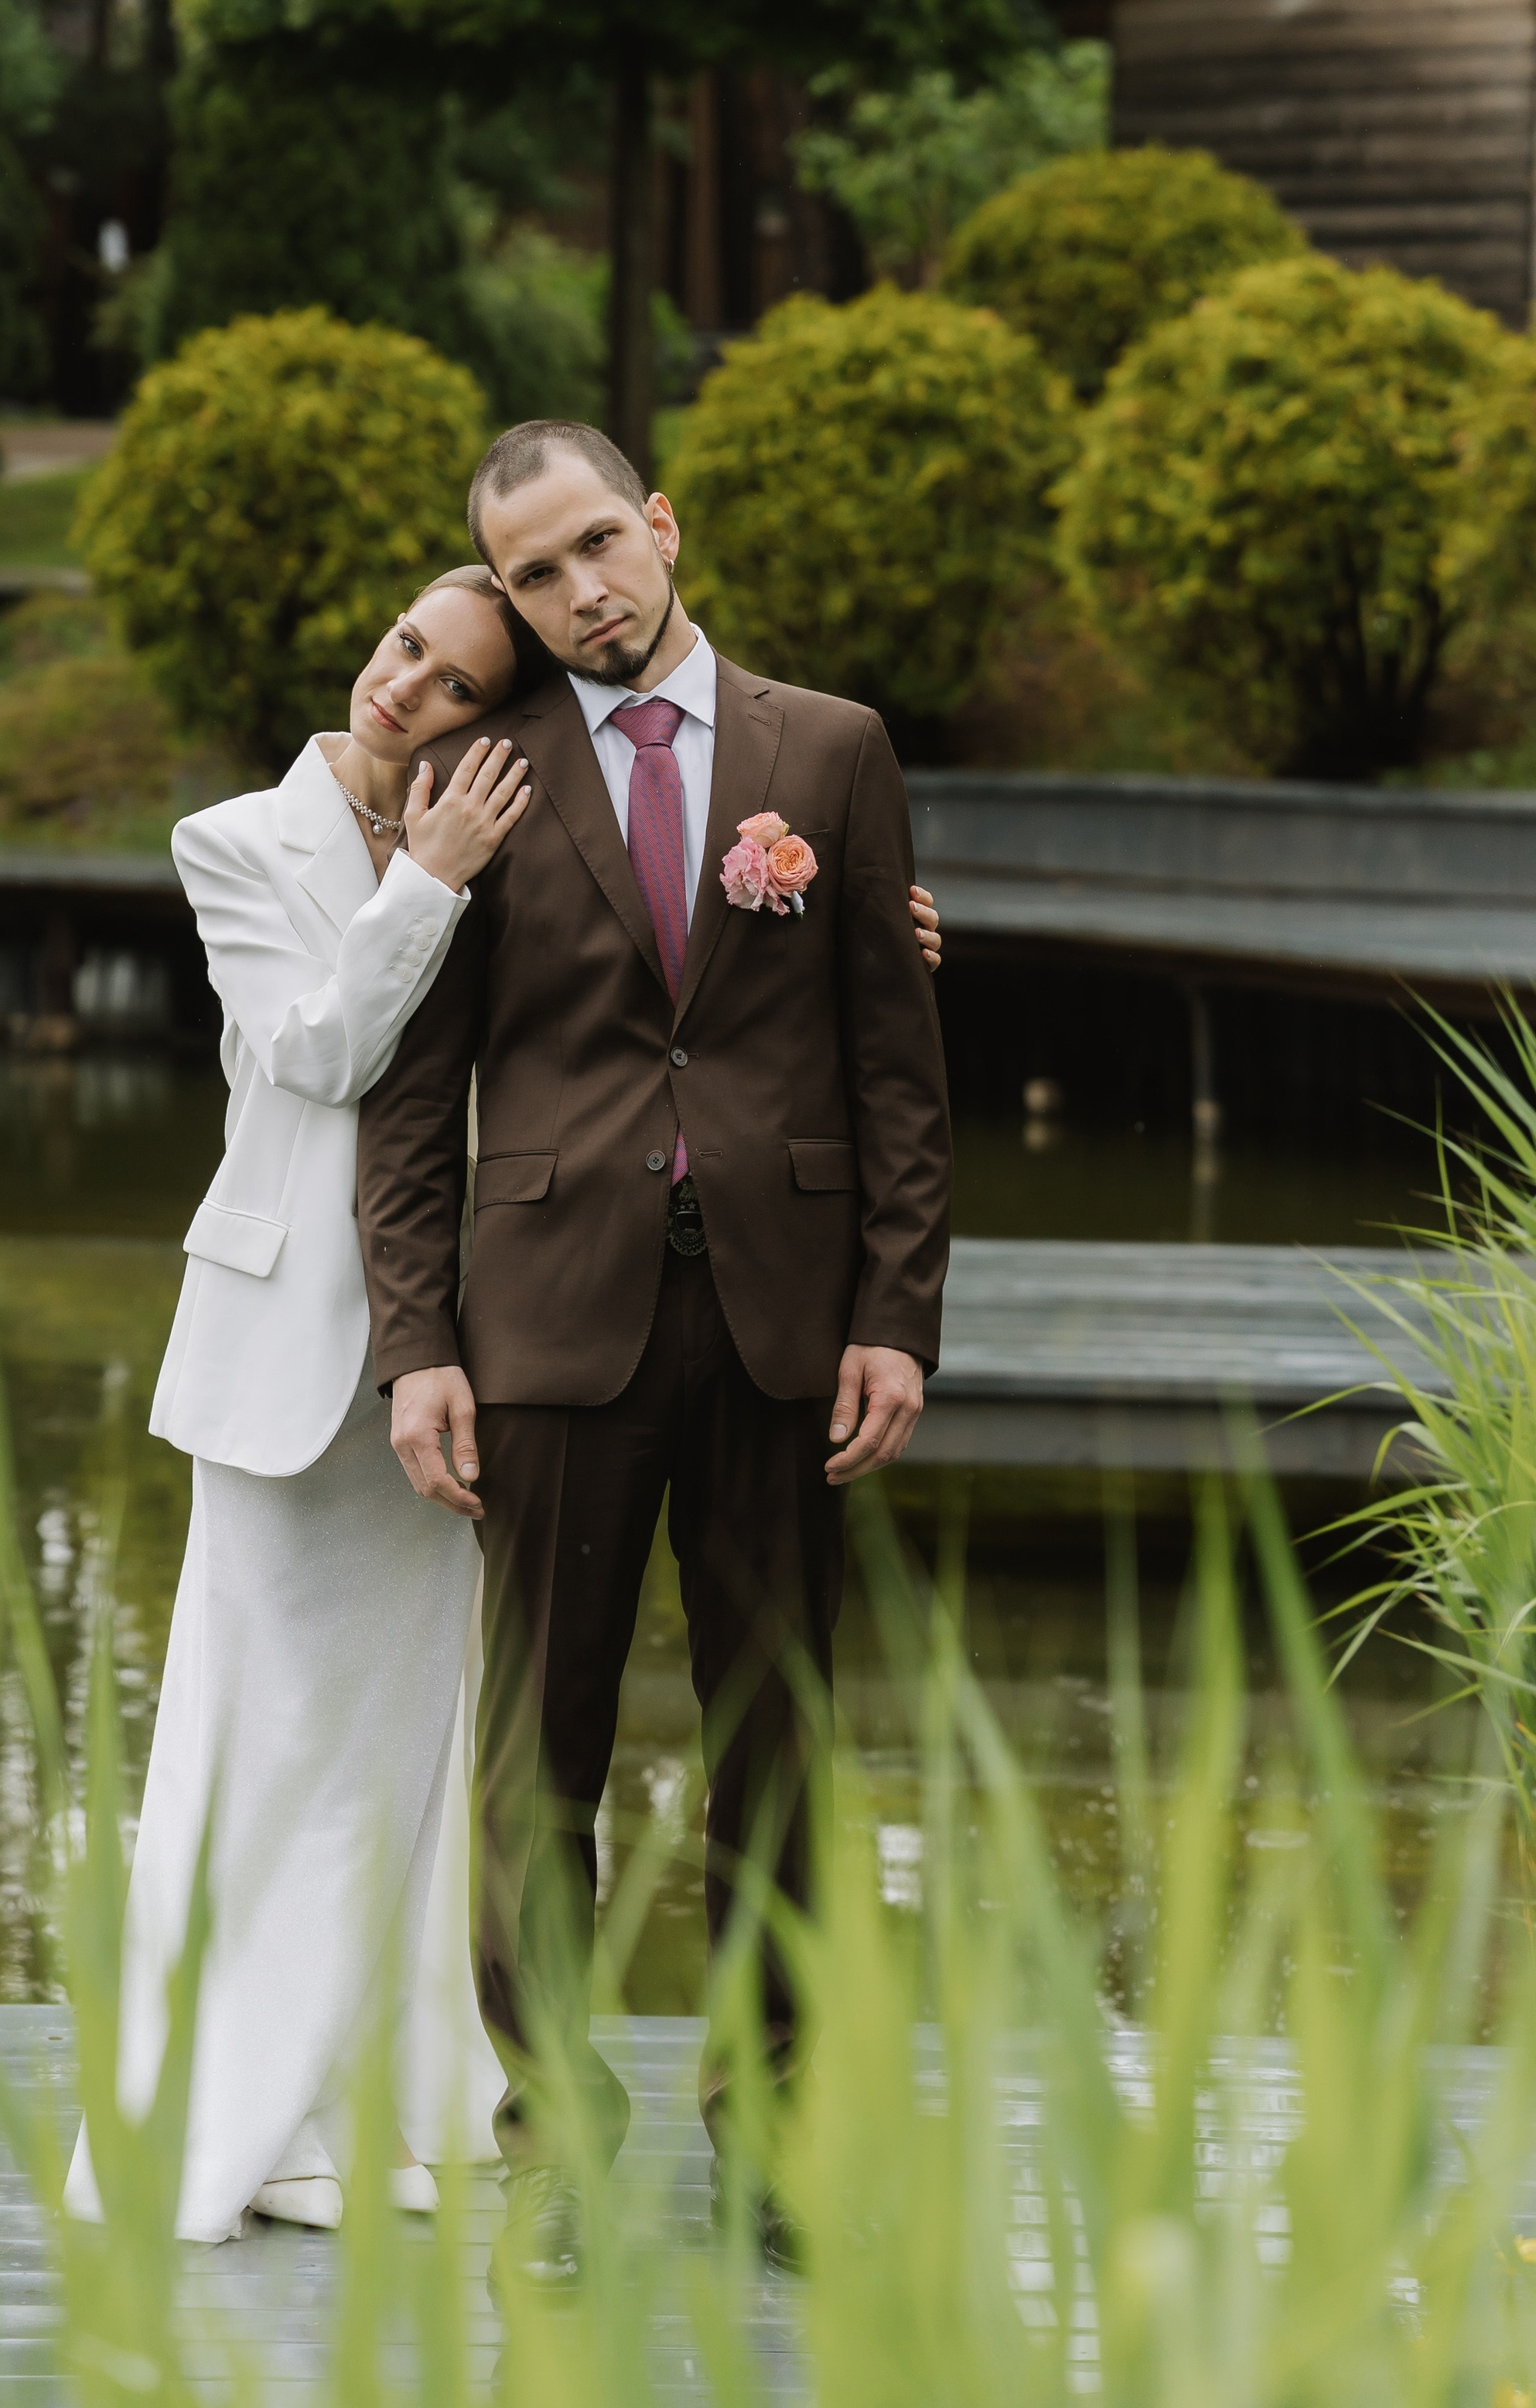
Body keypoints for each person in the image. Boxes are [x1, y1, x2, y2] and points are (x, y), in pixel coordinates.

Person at [64, 558, 943, 2249]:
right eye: (405, 648)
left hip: (514, 1336)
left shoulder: (533, 791)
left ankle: (397, 2100)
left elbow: (646, 997)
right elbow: (331, 1058)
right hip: (318, 1357)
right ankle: (218, 2109)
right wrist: (432, 880)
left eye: (456, 680)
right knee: (265, 1746)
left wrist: (875, 931)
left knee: (421, 1752)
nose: (409, 689)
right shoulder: (246, 839)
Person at [355, 423, 953, 2282]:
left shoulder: (828, 753)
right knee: (539, 1753)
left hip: (781, 1323)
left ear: (660, 523)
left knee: (778, 1747)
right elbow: (411, 1088)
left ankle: (767, 2141)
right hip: (543, 1326)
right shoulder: (483, 771)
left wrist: (892, 1314)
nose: (579, 593)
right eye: (533, 578)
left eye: (597, 546)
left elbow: (891, 1066)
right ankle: (551, 2148)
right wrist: (415, 1345)